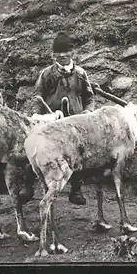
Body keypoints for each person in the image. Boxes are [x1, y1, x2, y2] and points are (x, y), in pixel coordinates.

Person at [30, 31, 95, 205]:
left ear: (73, 53)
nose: (63, 56)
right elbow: (37, 97)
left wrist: (88, 112)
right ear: (53, 55)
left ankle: (76, 190)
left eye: (66, 51)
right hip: (53, 121)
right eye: (59, 52)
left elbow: (89, 97)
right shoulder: (46, 74)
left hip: (75, 122)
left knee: (77, 155)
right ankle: (30, 187)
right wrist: (38, 116)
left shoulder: (80, 74)